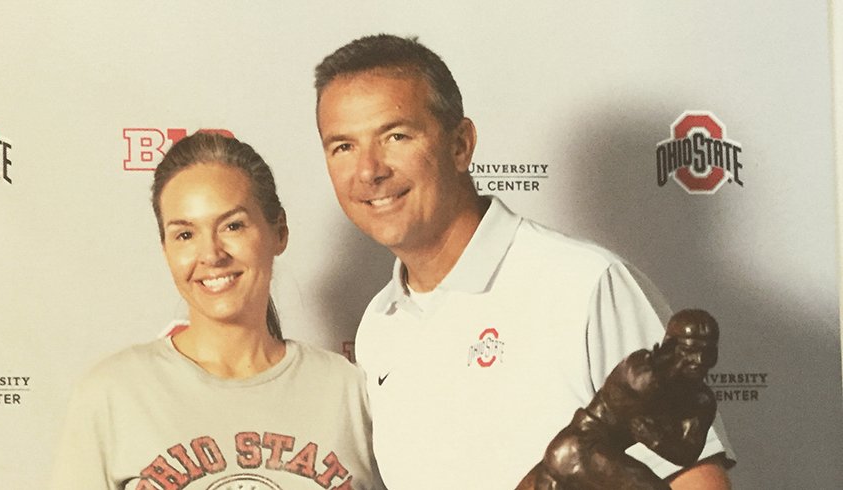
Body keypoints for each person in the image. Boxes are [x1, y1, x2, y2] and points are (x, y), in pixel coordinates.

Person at [313, 34, 733, 489]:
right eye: (343, 147)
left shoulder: (585, 283)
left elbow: (697, 479)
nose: (370, 170)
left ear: (460, 145)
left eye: (396, 136)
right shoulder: (379, 324)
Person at [50, 132, 385, 490]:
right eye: (184, 235)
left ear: (279, 232)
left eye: (233, 226)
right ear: (165, 250)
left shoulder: (349, 392)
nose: (211, 254)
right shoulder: (111, 393)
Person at [520, 309, 721, 489]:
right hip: (578, 449)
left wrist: (655, 439)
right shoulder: (640, 369)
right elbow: (641, 392)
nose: (700, 361)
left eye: (708, 353)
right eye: (690, 351)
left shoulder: (701, 401)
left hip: (590, 457)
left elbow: (687, 454)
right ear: (670, 347)